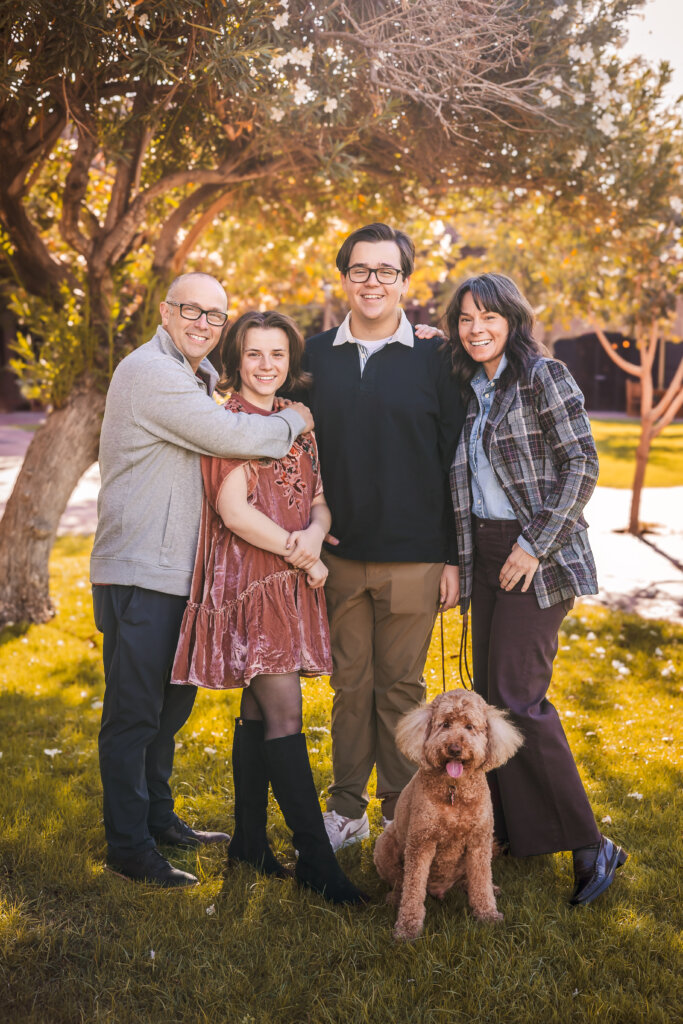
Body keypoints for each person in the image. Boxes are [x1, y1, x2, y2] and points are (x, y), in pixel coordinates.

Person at [90, 273, 312, 888]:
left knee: (170, 708)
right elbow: (231, 435)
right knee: (134, 716)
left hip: (180, 573)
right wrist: (296, 420)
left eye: (215, 316)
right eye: (191, 310)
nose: (203, 324)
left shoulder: (198, 377)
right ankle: (128, 847)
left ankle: (160, 820)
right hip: (141, 570)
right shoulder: (150, 373)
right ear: (166, 311)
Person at [171, 311, 366, 905]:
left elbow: (321, 498)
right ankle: (315, 858)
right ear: (236, 360)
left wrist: (315, 534)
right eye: (254, 355)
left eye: (277, 355)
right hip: (254, 580)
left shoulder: (298, 423)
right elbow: (234, 511)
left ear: (290, 362)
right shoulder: (226, 420)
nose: (266, 366)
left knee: (259, 712)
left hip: (290, 573)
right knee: (285, 715)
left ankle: (250, 843)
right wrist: (300, 555)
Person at [446, 272, 627, 906]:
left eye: (489, 317)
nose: (477, 329)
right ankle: (516, 834)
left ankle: (589, 842)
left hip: (538, 553)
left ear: (513, 320)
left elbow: (583, 464)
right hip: (487, 552)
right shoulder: (471, 389)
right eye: (466, 318)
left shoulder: (543, 376)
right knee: (493, 702)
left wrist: (532, 545)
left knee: (520, 702)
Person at [301, 223, 465, 850]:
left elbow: (454, 460)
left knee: (402, 687)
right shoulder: (313, 356)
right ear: (344, 277)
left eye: (386, 271)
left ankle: (401, 808)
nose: (373, 282)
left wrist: (451, 557)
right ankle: (346, 808)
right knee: (350, 685)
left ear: (404, 280)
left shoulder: (436, 356)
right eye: (361, 270)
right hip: (337, 556)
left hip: (415, 557)